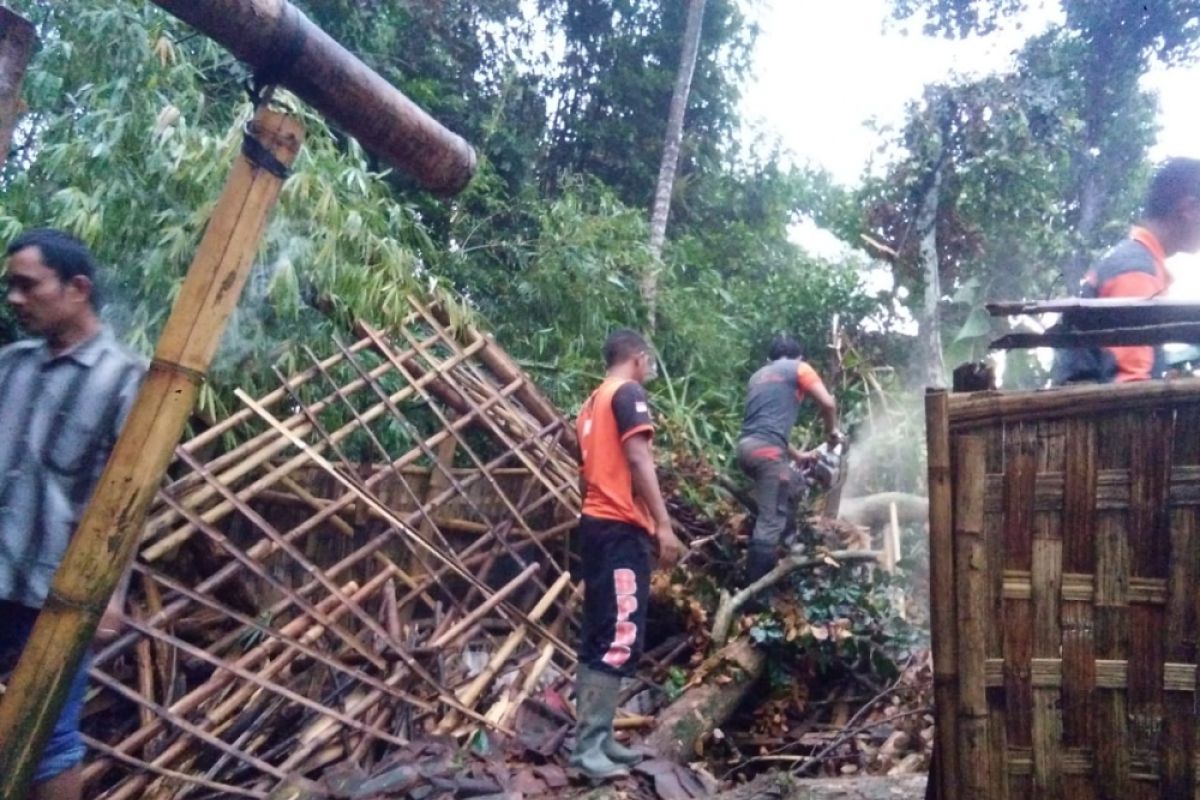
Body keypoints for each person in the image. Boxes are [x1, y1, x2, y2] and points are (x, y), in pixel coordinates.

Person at [0, 229, 144, 799]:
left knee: (49, 739)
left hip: (55, 594)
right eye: (10, 286)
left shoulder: (126, 381)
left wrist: (113, 592)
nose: (14, 299)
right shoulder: (10, 365)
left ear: (77, 288)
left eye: (27, 286)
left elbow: (128, 499)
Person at [570, 329, 685, 781]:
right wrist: (664, 526)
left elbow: (587, 473)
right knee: (620, 634)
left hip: (596, 525)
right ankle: (587, 749)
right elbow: (639, 458)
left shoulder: (591, 402)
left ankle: (599, 739)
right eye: (648, 361)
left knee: (599, 632)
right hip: (619, 529)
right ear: (637, 358)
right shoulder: (628, 393)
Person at [1060, 157, 1200, 383]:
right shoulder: (1136, 270)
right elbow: (1131, 386)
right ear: (1189, 209)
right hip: (1106, 416)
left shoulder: (1134, 261)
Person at [736, 334, 841, 585]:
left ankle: (787, 547)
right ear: (799, 357)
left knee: (794, 484)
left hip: (747, 448)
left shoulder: (757, 376)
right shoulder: (800, 368)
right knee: (769, 521)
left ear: (769, 359)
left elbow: (765, 427)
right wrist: (831, 435)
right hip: (768, 455)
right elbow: (828, 404)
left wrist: (798, 456)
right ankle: (755, 595)